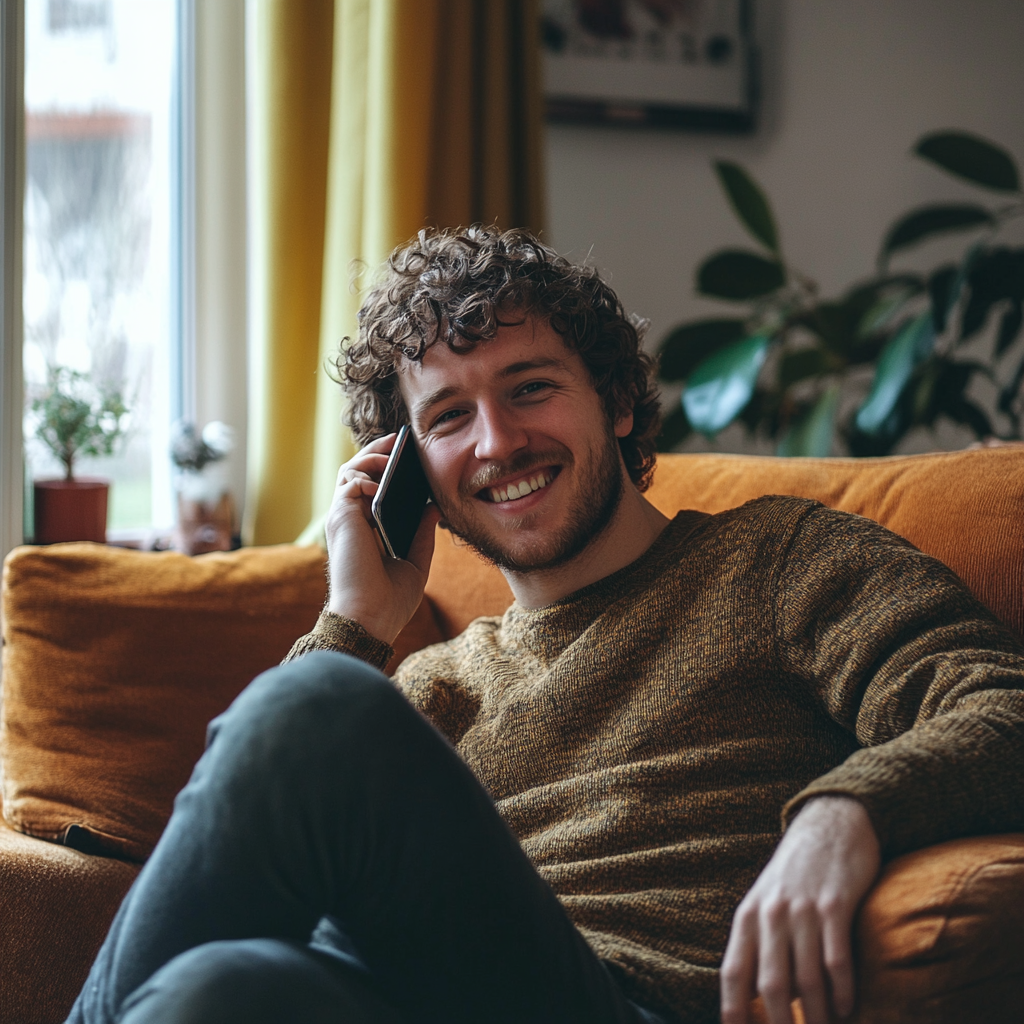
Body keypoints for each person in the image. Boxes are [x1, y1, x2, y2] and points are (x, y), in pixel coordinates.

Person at [68, 226, 1024, 1024]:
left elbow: (1001, 705)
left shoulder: (777, 558)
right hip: (394, 996)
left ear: (611, 399)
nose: (497, 441)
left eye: (530, 387)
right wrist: (355, 621)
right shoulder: (436, 680)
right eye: (447, 418)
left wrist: (842, 815)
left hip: (620, 998)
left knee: (318, 709)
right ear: (414, 476)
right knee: (212, 989)